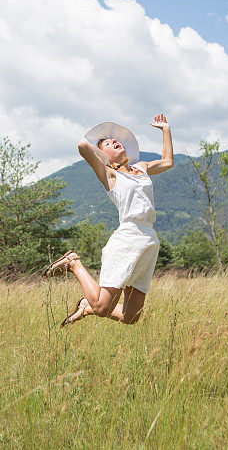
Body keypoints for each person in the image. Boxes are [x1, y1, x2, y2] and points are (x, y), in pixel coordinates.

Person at [43, 113, 174, 326]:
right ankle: (73, 263)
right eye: (108, 143)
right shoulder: (110, 175)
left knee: (131, 317)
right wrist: (103, 156)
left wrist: (166, 129)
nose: (115, 142)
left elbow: (168, 161)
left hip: (149, 241)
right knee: (102, 308)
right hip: (128, 238)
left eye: (116, 140)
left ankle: (86, 306)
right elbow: (82, 145)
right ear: (103, 156)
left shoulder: (141, 167)